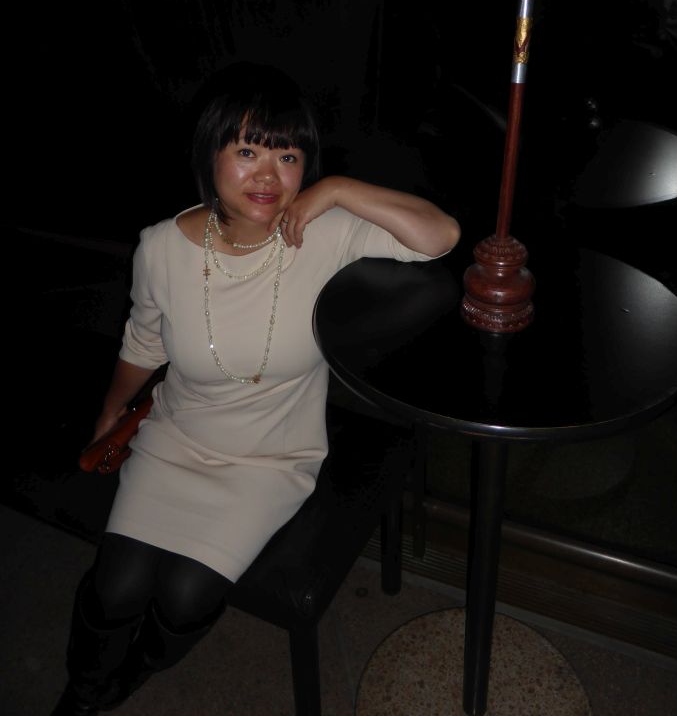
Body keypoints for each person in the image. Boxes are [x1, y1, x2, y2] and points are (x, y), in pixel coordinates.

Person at [53, 63, 460, 715]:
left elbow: (440, 237)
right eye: (246, 151)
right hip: (176, 439)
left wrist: (337, 190)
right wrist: (111, 411)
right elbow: (144, 342)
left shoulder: (321, 236)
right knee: (115, 588)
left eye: (288, 156)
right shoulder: (161, 247)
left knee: (185, 597)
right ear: (210, 154)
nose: (268, 177)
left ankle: (140, 668)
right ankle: (86, 688)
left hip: (271, 461)